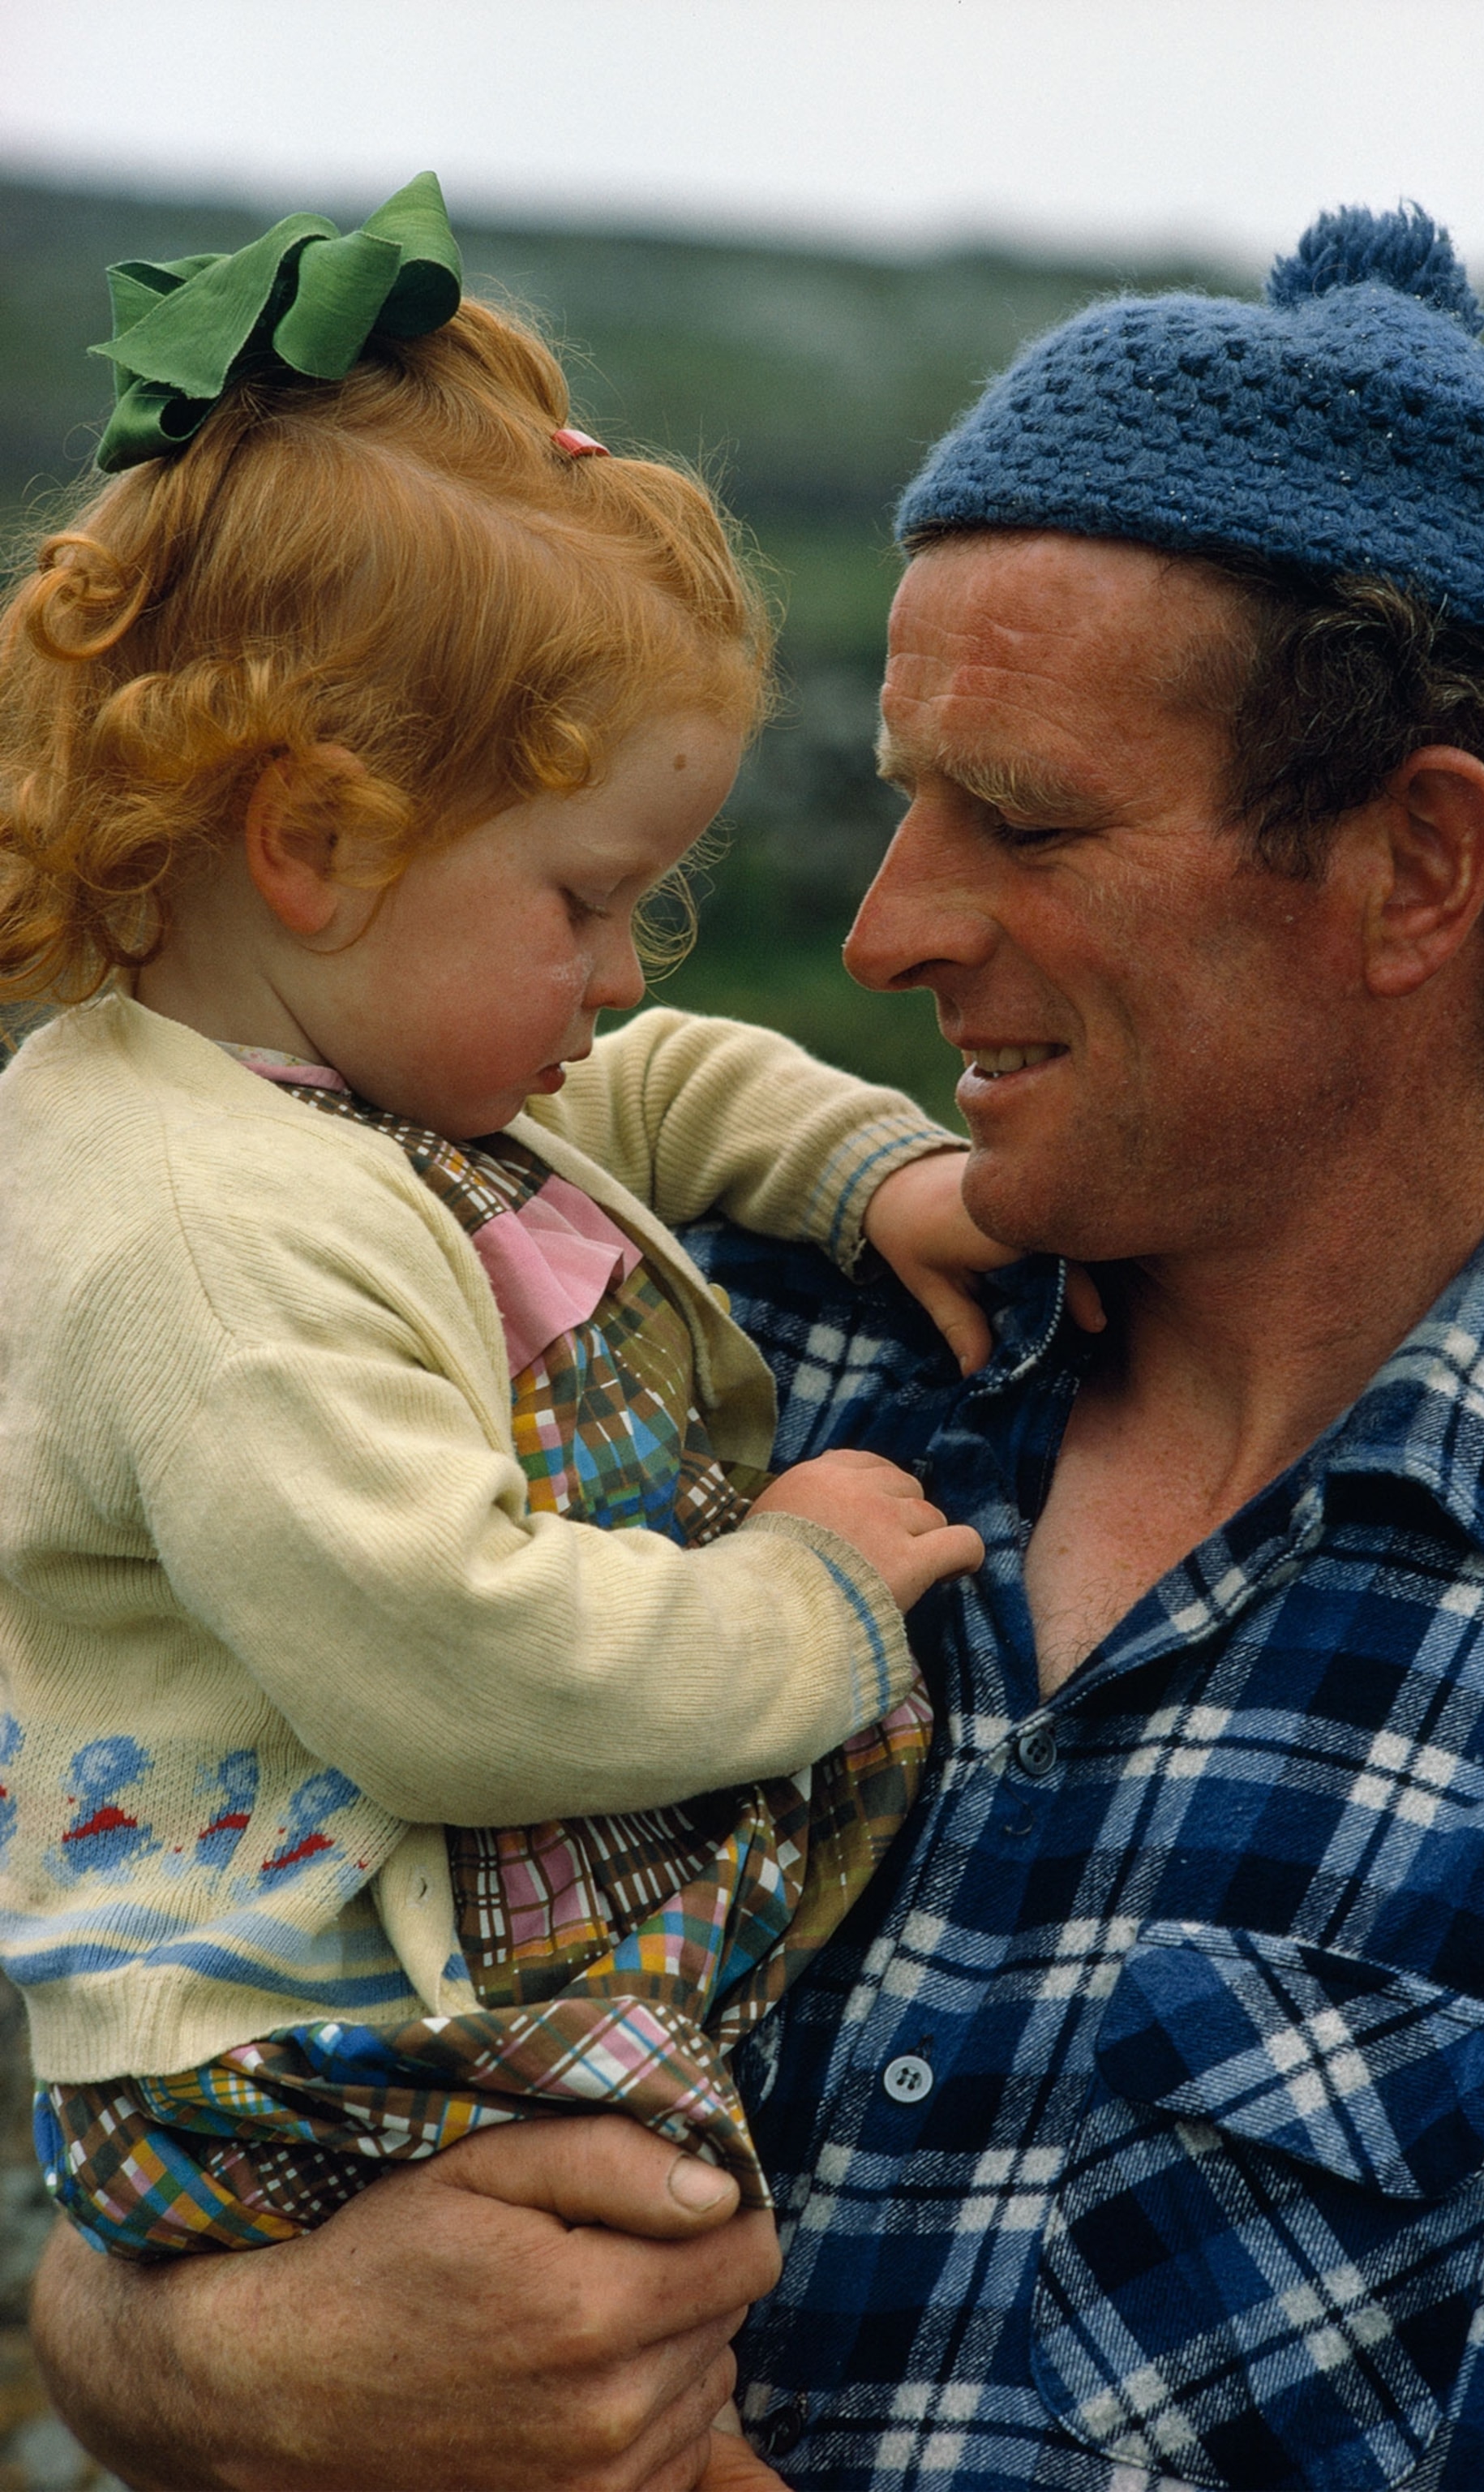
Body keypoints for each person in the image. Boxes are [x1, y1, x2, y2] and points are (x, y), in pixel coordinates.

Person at [29, 203, 1484, 2490]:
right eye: (897, 794)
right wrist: (216, 2366)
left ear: (1417, 869)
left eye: (1018, 820)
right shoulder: (642, 1315)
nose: (883, 924)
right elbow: (140, 2086)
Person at [0, 175, 1022, 2480]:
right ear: (315, 844)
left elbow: (642, 1089)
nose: (627, 971)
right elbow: (443, 1668)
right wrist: (814, 1604)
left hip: (372, 1991)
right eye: (583, 903)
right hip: (301, 2054)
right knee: (631, 2260)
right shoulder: (198, 1247)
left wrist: (868, 1168)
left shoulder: (329, 1067)